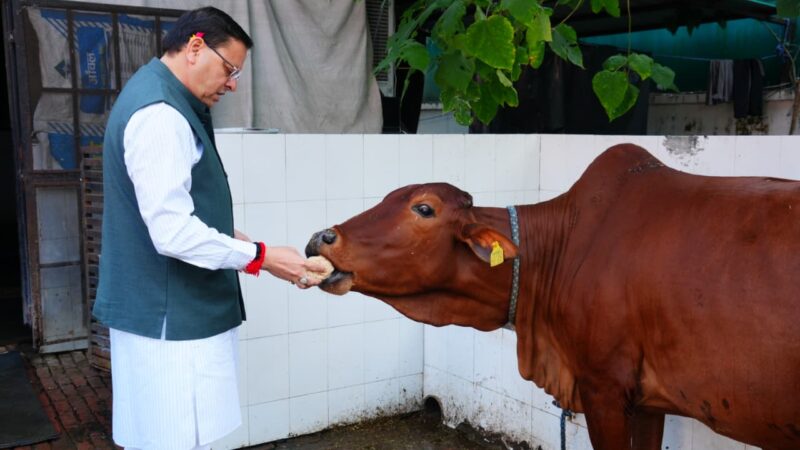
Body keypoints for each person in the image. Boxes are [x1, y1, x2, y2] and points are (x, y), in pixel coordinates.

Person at [92, 7, 325, 450]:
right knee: (175, 439)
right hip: (170, 322)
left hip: (165, 315)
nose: (232, 83)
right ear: (195, 47)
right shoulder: (161, 114)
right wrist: (260, 257)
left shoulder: (160, 97)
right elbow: (172, 232)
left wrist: (239, 242)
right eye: (230, 69)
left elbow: (169, 210)